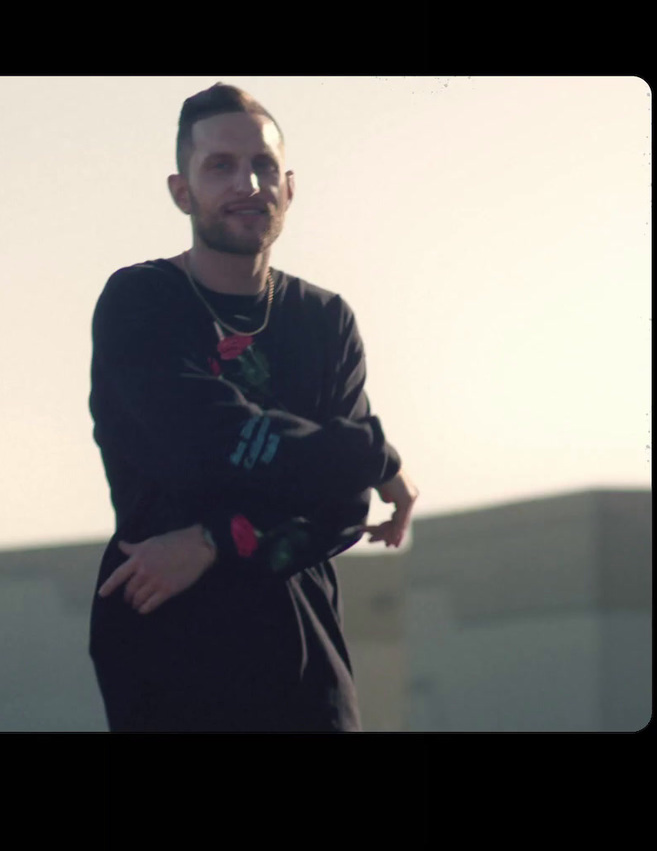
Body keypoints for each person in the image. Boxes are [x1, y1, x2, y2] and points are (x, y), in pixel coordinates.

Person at [87, 84, 420, 731]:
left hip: (306, 662)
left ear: (289, 186)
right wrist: (373, 450)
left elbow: (345, 507)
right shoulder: (141, 303)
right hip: (171, 654)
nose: (248, 182)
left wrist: (213, 539)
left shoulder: (325, 320)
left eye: (264, 165)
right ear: (181, 191)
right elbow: (212, 438)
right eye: (220, 166)